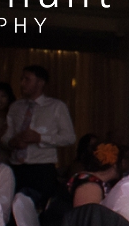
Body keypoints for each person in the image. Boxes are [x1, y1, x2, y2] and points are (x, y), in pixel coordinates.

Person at [6, 64, 77, 200]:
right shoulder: (15, 107)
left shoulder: (56, 107)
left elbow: (69, 137)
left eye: (27, 79)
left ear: (40, 82)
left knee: (41, 208)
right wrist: (12, 142)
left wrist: (40, 138)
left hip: (42, 169)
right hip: (16, 167)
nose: (22, 84)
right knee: (13, 207)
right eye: (22, 79)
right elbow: (6, 136)